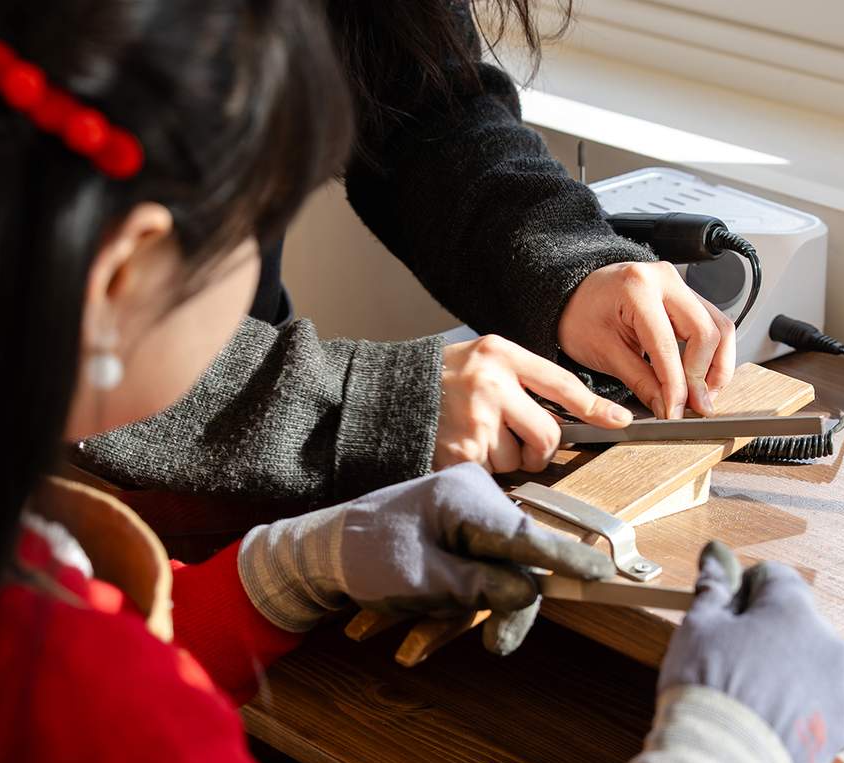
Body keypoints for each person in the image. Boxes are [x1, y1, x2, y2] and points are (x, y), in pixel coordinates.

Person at [0, 4, 844, 763]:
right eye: (261, 214)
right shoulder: (124, 752)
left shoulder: (21, 583)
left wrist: (269, 579)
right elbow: (104, 740)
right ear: (125, 271)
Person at [70, 0, 739, 504]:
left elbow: (419, 96)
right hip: (50, 486)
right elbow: (21, 316)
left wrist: (569, 264)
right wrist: (363, 408)